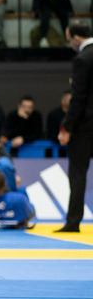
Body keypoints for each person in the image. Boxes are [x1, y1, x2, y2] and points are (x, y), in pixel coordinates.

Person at [57, 21, 93, 232]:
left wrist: (66, 127)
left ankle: (73, 222)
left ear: (76, 38)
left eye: (68, 39)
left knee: (78, 173)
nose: (69, 43)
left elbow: (78, 98)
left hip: (86, 126)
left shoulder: (83, 58)